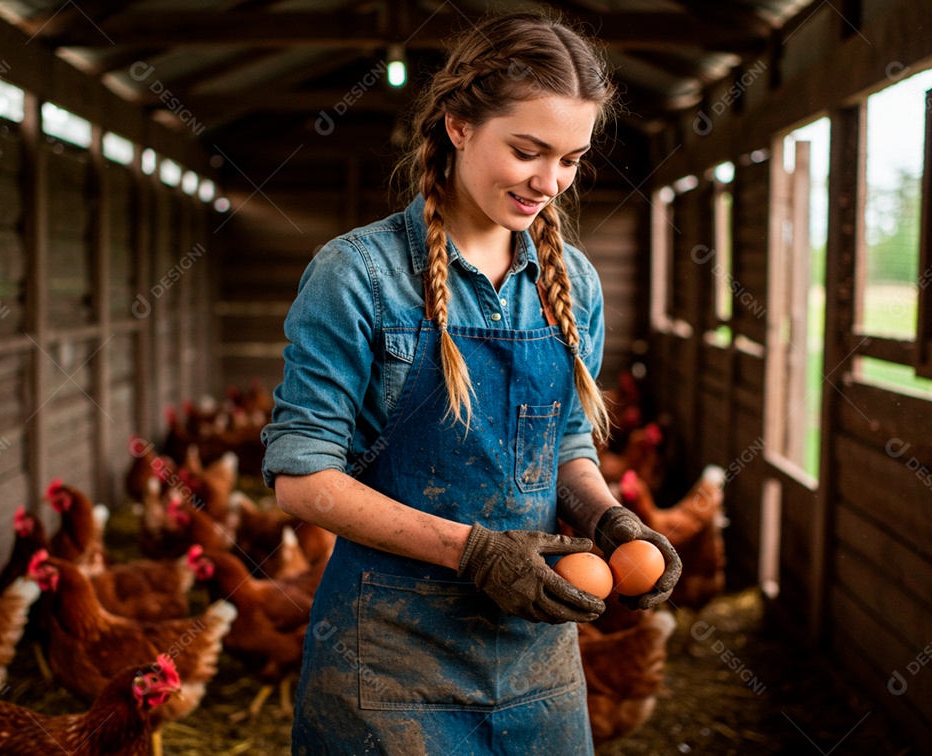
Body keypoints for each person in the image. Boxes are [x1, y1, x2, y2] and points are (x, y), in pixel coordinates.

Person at [263, 11, 681, 755]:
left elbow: (563, 443)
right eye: (527, 151)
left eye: (572, 160)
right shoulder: (358, 276)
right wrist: (474, 552)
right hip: (388, 663)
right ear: (458, 126)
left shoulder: (573, 284)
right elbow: (302, 480)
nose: (549, 183)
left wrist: (608, 519)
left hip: (537, 659)